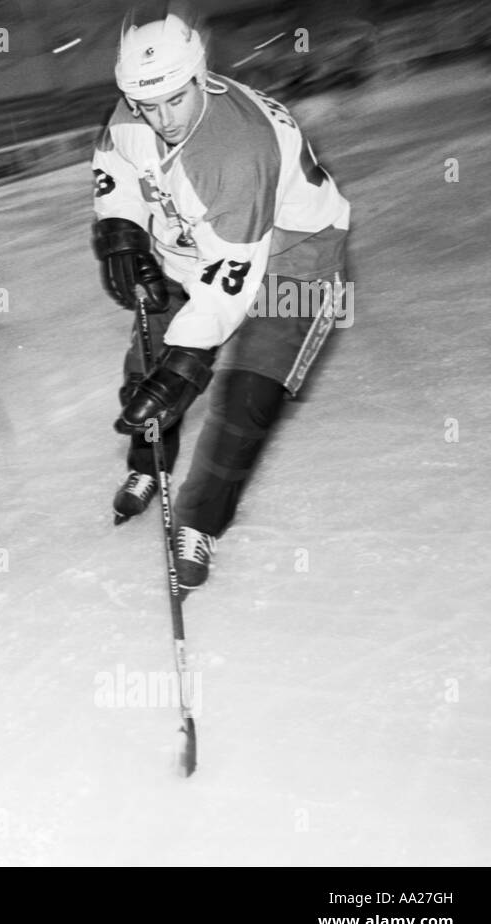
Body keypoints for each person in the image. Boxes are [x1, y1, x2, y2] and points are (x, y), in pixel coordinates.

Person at [91, 10, 350, 591]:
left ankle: (201, 522)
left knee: (244, 401)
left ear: (199, 78)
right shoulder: (140, 103)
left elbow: (231, 274)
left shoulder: (236, 151)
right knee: (146, 377)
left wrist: (189, 359)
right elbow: (116, 163)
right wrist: (122, 229)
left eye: (174, 102)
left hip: (295, 262)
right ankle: (148, 468)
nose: (162, 119)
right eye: (147, 106)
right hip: (195, 242)